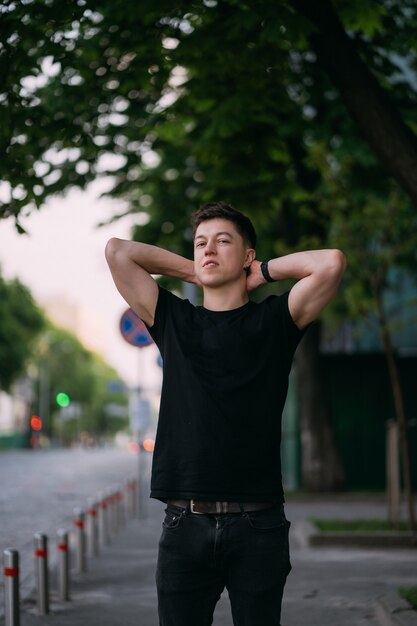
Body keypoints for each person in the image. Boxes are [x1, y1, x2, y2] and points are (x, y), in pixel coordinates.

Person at [105, 201, 346, 626]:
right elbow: (118, 252)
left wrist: (265, 272)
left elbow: (331, 262)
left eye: (222, 241)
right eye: (201, 243)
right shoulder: (174, 320)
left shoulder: (276, 321)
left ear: (247, 255)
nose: (208, 249)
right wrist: (194, 270)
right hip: (184, 524)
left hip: (258, 526)